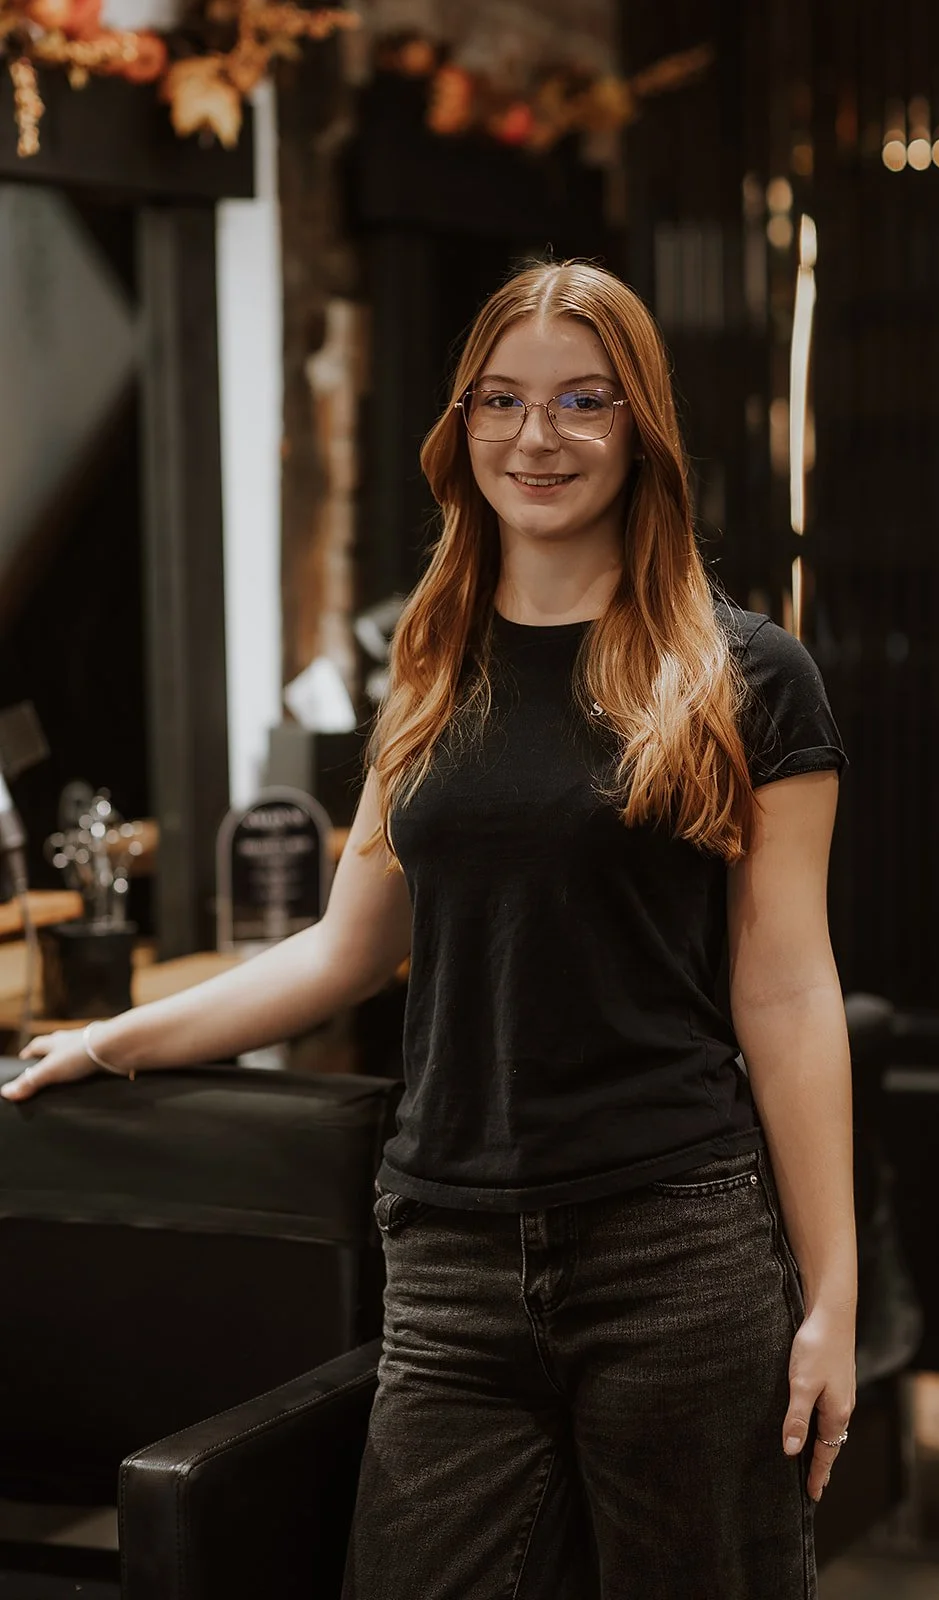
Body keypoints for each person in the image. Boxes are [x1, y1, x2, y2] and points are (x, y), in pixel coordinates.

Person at [3, 260, 856, 1600]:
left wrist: (832, 1293)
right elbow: (346, 950)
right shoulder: (430, 661)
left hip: (672, 1245)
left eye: (585, 400)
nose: (539, 436)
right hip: (448, 1257)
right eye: (500, 401)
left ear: (640, 427)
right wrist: (108, 1040)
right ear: (459, 426)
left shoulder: (746, 676)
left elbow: (788, 991)